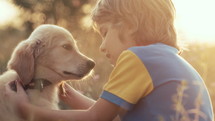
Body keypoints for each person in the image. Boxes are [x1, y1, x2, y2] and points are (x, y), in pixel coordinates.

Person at [4, 0, 214, 121]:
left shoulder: (138, 57)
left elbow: (96, 118)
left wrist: (29, 110)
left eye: (104, 33)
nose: (102, 46)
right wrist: (67, 93)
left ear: (129, 25)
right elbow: (109, 112)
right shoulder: (163, 58)